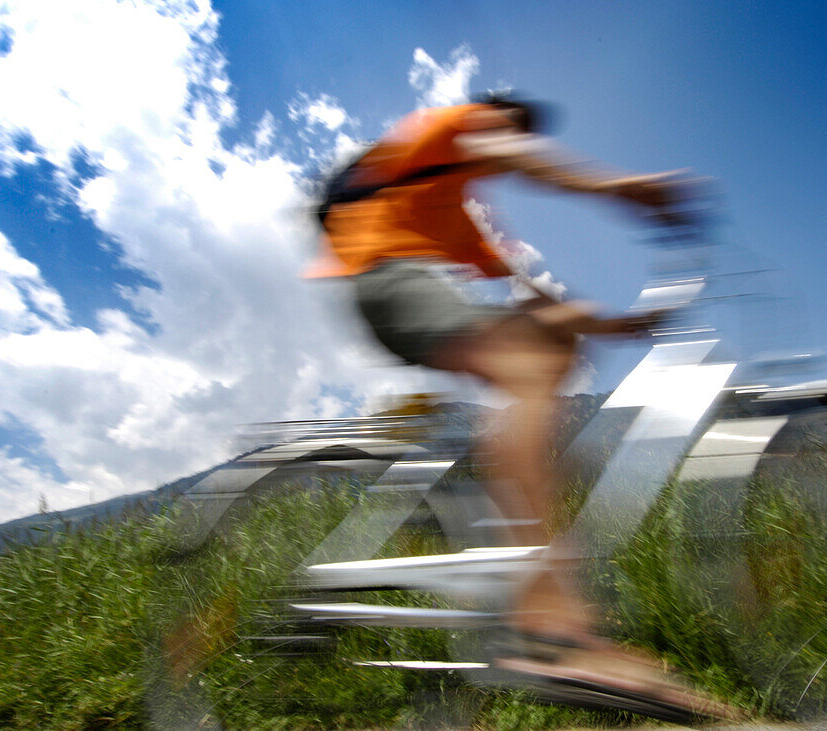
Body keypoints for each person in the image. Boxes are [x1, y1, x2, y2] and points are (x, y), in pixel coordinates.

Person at [312, 93, 730, 711]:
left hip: (404, 282)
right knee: (529, 366)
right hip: (384, 277)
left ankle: (514, 545)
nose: (512, 141)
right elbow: (515, 152)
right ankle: (550, 625)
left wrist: (626, 323)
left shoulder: (459, 214)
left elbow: (537, 297)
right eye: (515, 127)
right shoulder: (457, 126)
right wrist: (622, 187)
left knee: (552, 350)